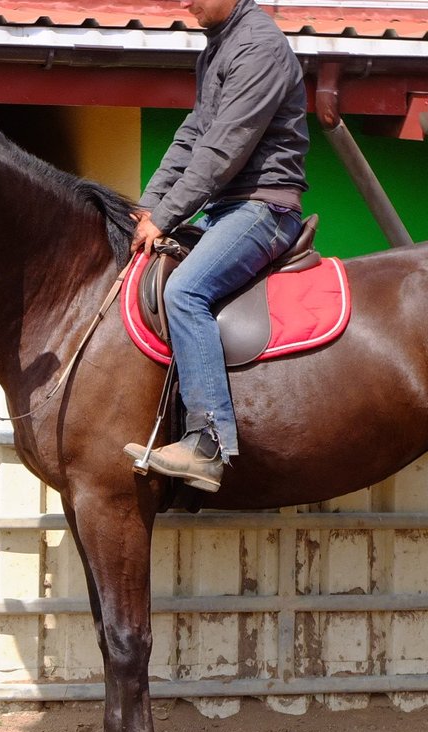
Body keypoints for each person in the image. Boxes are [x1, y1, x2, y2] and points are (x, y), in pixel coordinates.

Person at [123, 0, 309, 492]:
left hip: (263, 209)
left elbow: (223, 147)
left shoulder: (257, 46)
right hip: (226, 208)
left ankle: (205, 442)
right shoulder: (220, 45)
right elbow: (192, 135)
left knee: (183, 291)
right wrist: (148, 205)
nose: (184, 3)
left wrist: (165, 215)